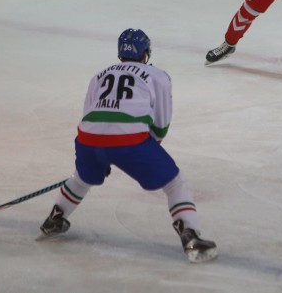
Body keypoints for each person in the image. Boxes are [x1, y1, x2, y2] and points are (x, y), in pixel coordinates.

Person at [39, 29, 218, 264]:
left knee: (82, 178)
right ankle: (191, 236)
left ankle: (55, 217)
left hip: (87, 139)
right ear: (145, 53)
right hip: (129, 141)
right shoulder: (157, 75)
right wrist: (137, 153)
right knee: (176, 183)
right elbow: (160, 124)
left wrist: (101, 156)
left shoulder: (99, 75)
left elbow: (89, 115)